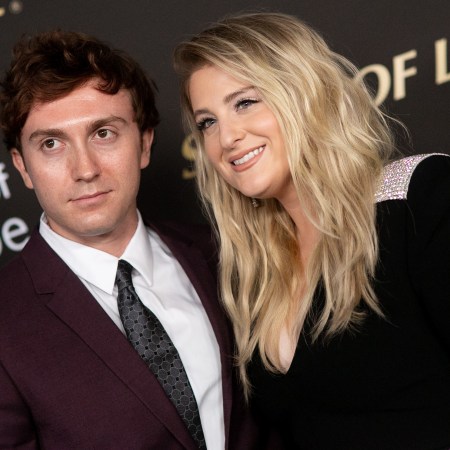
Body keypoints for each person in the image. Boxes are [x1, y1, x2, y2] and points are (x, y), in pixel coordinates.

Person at [173, 12, 450, 449]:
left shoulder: (421, 197)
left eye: (245, 102)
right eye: (207, 122)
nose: (226, 137)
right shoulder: (255, 270)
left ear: (303, 93)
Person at [0, 29, 260, 449]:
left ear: (144, 143)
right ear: (23, 167)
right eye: (51, 143)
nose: (84, 169)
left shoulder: (221, 253)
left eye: (103, 133)